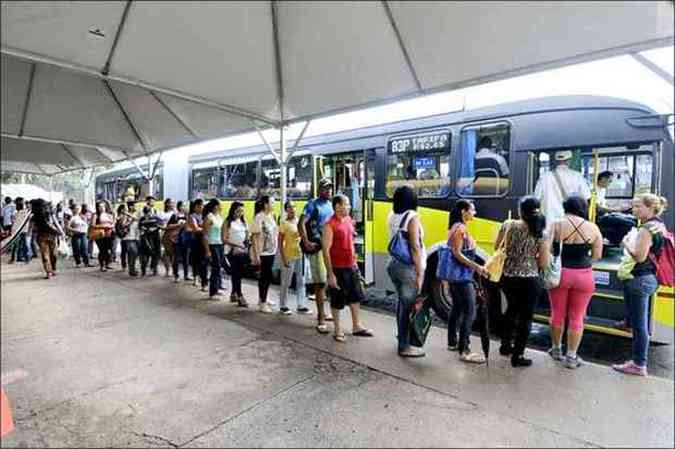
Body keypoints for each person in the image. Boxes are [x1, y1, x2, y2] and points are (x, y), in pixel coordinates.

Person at [613, 194, 669, 377]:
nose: (634, 210)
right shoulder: (659, 225)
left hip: (640, 278)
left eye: (638, 206)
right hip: (649, 276)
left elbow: (639, 256)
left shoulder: (646, 229)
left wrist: (627, 243)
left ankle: (639, 364)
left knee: (640, 326)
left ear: (650, 208)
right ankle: (627, 322)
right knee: (637, 319)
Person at [547, 195, 603, 369]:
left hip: (560, 275)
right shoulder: (593, 228)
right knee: (577, 317)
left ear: (566, 207)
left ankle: (556, 350)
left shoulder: (556, 224)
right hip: (584, 276)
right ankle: (571, 357)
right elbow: (597, 255)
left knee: (557, 313)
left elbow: (547, 248)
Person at [495, 196, 549, 367]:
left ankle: (505, 346)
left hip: (508, 277)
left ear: (520, 210)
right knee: (526, 318)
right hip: (530, 280)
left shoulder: (507, 224)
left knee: (511, 310)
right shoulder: (540, 231)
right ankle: (518, 356)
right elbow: (543, 263)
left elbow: (497, 248)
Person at [322, 194, 373, 343]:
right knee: (337, 300)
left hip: (351, 266)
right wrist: (330, 274)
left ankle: (356, 325)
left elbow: (350, 242)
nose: (349, 207)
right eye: (346, 204)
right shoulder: (329, 224)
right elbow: (326, 250)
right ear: (337, 206)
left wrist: (355, 263)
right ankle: (337, 329)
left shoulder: (349, 220)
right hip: (338, 268)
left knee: (355, 297)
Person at [445, 199, 490, 363]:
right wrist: (477, 267)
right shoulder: (460, 229)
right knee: (470, 310)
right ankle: (464, 350)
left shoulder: (455, 227)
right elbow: (457, 253)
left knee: (457, 307)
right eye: (472, 209)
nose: (474, 212)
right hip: (462, 276)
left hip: (456, 276)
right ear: (463, 211)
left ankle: (452, 342)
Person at [386, 186, 426, 357]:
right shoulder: (412, 216)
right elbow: (415, 246)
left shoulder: (392, 215)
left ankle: (402, 337)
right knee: (408, 307)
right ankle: (404, 346)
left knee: (402, 304)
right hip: (407, 267)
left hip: (393, 264)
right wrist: (420, 273)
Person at [298, 177, 335, 333]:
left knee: (328, 281)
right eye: (326, 188)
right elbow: (301, 223)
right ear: (319, 189)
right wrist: (306, 242)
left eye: (330, 188)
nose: (329, 191)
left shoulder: (331, 205)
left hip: (330, 247)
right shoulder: (312, 204)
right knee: (320, 283)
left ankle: (325, 313)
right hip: (318, 247)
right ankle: (320, 317)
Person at [534, 150, 592, 225]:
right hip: (570, 224)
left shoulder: (544, 177)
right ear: (569, 161)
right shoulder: (577, 176)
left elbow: (536, 200)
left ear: (556, 161)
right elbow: (587, 198)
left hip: (549, 223)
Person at [278, 200, 311, 315]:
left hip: (300, 255)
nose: (292, 209)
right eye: (289, 207)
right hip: (288, 255)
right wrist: (283, 257)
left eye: (293, 207)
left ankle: (301, 305)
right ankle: (283, 305)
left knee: (301, 281)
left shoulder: (300, 222)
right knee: (286, 282)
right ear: (286, 210)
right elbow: (280, 242)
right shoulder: (284, 223)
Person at [250, 195, 278, 313]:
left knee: (267, 277)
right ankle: (262, 303)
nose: (274, 204)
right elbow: (255, 238)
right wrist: (256, 256)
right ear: (266, 204)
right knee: (265, 278)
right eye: (272, 202)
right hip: (263, 253)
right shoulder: (259, 217)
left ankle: (263, 298)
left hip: (271, 251)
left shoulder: (271, 216)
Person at [222, 201, 249, 307]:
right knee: (236, 273)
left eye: (242, 210)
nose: (240, 212)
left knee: (238, 273)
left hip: (242, 251)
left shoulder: (243, 221)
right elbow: (223, 238)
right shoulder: (227, 222)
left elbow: (247, 234)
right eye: (238, 210)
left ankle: (234, 293)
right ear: (233, 210)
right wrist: (235, 246)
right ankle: (240, 296)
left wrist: (245, 244)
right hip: (231, 251)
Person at [32, 199, 64, 279]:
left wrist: (61, 232)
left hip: (52, 235)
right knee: (45, 255)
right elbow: (32, 227)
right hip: (41, 236)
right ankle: (49, 272)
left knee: (54, 254)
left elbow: (55, 222)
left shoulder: (49, 213)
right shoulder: (34, 216)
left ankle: (53, 269)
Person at [202, 199, 226, 299]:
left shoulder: (219, 217)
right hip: (212, 245)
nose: (222, 206)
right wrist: (207, 250)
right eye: (221, 205)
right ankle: (212, 292)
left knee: (218, 267)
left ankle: (216, 289)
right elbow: (205, 235)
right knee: (215, 268)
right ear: (216, 206)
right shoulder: (209, 217)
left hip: (220, 244)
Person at [187, 199, 208, 292]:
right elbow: (195, 229)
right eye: (199, 206)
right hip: (196, 241)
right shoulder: (192, 216)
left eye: (202, 206)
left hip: (205, 241)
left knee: (203, 262)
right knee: (196, 260)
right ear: (195, 207)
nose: (201, 207)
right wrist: (204, 228)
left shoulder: (206, 216)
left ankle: (204, 282)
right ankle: (196, 277)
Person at [91, 201, 114, 272]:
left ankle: (107, 264)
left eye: (103, 206)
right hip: (99, 234)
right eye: (100, 207)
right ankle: (102, 265)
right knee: (102, 250)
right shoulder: (96, 215)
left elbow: (113, 223)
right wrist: (103, 226)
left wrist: (110, 226)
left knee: (108, 250)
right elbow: (93, 225)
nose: (101, 208)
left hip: (109, 234)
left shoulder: (109, 215)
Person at [171, 201, 191, 283]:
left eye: (185, 206)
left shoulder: (188, 216)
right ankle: (176, 275)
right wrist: (178, 225)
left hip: (186, 239)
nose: (184, 207)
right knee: (176, 258)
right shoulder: (175, 216)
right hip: (176, 239)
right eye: (183, 206)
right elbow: (169, 226)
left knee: (186, 258)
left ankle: (186, 275)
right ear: (179, 207)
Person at [139, 206, 161, 276]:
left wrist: (154, 229)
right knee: (145, 256)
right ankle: (143, 268)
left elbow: (160, 225)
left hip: (155, 238)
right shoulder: (142, 219)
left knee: (156, 254)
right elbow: (140, 227)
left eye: (149, 212)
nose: (148, 214)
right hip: (146, 238)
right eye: (146, 212)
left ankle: (153, 268)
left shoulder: (156, 218)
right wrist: (145, 229)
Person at [159, 198, 177, 277]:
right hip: (165, 234)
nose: (173, 204)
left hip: (175, 235)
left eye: (173, 203)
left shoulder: (176, 213)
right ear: (167, 204)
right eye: (171, 203)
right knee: (167, 252)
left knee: (173, 253)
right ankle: (167, 269)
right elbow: (160, 223)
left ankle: (173, 270)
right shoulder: (162, 213)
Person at [121, 199, 140, 277]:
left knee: (135, 254)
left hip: (137, 236)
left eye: (135, 205)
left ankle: (132, 268)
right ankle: (131, 269)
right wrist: (130, 221)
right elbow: (123, 225)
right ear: (130, 206)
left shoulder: (137, 213)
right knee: (133, 252)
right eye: (133, 205)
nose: (135, 206)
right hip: (128, 237)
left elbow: (138, 220)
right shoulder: (125, 215)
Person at [9, 198, 30, 264]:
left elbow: (13, 221)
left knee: (16, 245)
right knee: (23, 244)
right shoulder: (26, 212)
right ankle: (25, 258)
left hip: (16, 230)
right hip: (23, 230)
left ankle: (15, 258)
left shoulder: (15, 212)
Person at [115, 204, 129, 271]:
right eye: (125, 208)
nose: (126, 209)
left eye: (126, 208)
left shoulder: (128, 215)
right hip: (123, 235)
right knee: (124, 250)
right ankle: (124, 265)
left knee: (127, 251)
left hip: (129, 235)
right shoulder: (120, 216)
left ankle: (127, 264)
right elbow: (120, 226)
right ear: (121, 210)